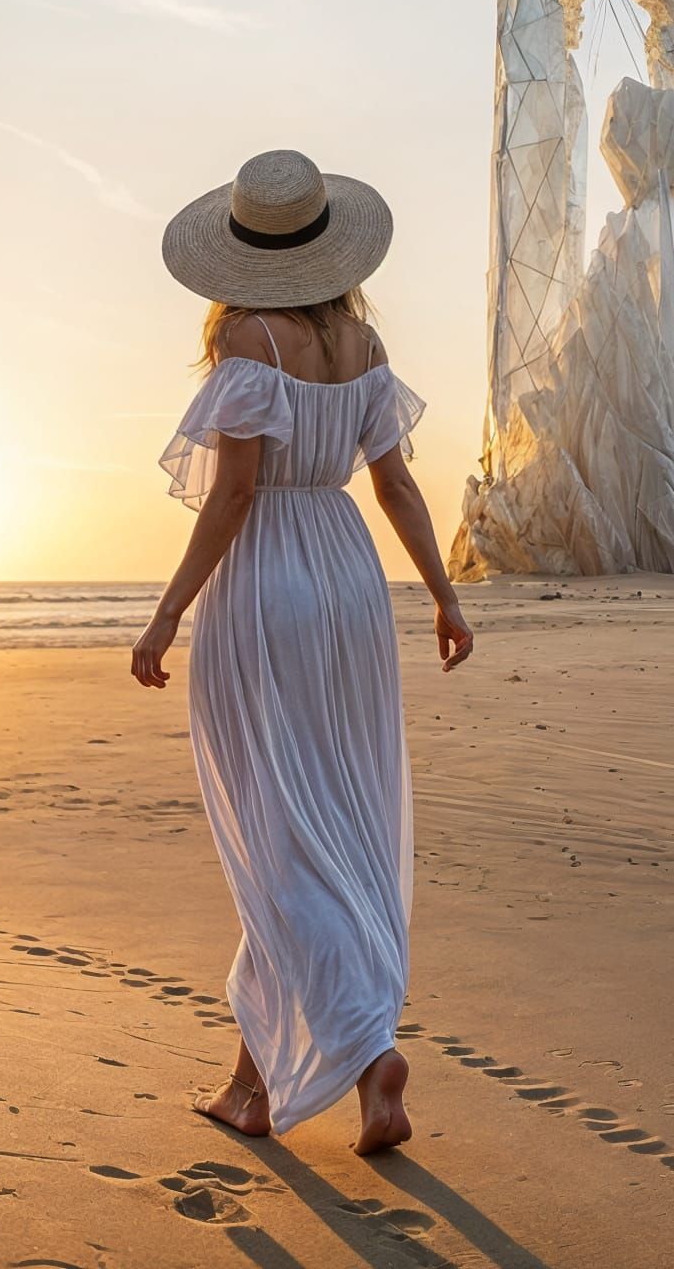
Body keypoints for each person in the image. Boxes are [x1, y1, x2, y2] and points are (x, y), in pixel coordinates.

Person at [131, 148, 474, 1154]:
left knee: (281, 837)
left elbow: (234, 495)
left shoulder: (249, 339)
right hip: (349, 578)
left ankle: (371, 1060)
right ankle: (254, 1086)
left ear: (240, 253)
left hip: (271, 577)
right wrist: (446, 599)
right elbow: (399, 489)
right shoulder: (361, 345)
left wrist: (164, 616)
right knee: (317, 823)